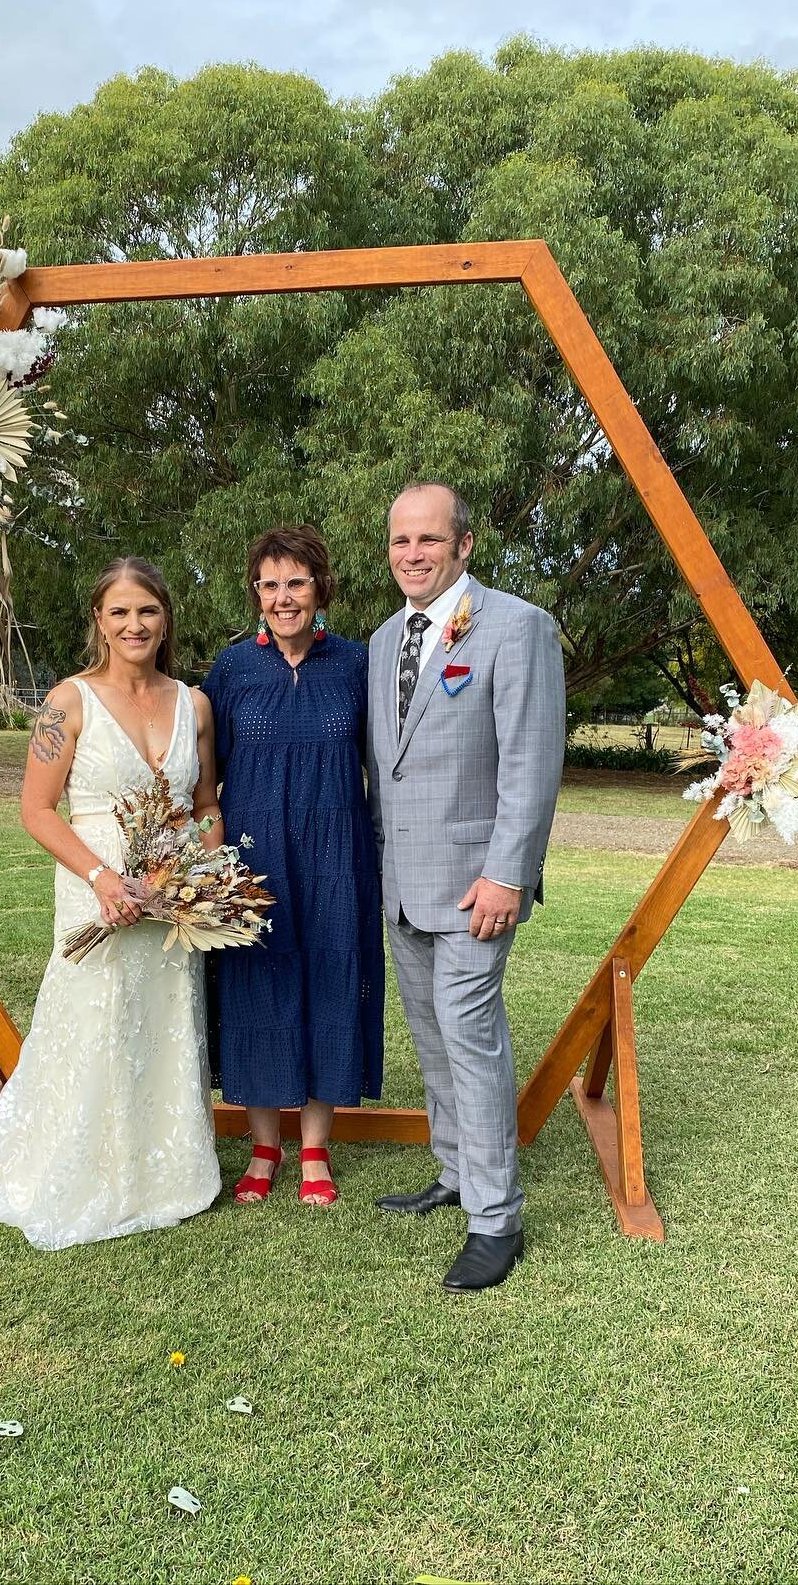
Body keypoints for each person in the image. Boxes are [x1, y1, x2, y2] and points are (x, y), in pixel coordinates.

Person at [0, 557, 223, 1249]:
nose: (135, 625)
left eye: (148, 611)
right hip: (93, 887)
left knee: (162, 1020)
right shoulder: (68, 702)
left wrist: (184, 874)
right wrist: (105, 879)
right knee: (96, 1019)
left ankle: (166, 1172)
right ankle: (81, 1166)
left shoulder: (193, 704)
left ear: (166, 619)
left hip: (167, 895)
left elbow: (205, 806)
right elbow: (38, 810)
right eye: (120, 612)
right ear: (98, 622)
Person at [368, 483, 565, 1292]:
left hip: (476, 887)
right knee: (434, 1038)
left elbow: (531, 764)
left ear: (465, 544)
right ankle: (453, 1173)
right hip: (403, 886)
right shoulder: (384, 639)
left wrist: (506, 873)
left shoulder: (517, 628)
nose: (413, 555)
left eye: (429, 540)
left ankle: (496, 1219)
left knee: (471, 1036)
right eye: (400, 541)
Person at [203, 526, 384, 1206]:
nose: (283, 597)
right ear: (256, 594)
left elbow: (384, 763)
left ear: (321, 589)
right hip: (255, 861)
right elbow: (200, 771)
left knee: (332, 984)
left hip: (338, 855)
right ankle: (263, 1146)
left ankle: (314, 1148)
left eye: (297, 583)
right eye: (270, 584)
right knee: (257, 991)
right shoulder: (230, 671)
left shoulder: (356, 665)